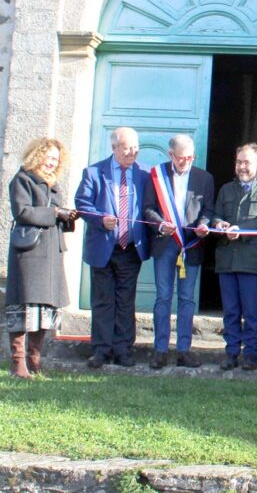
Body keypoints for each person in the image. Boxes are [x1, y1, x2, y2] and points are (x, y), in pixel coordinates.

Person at [75, 127, 151, 369]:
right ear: (114, 148)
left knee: (126, 301)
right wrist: (100, 219)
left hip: (130, 248)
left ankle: (123, 349)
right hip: (103, 247)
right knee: (103, 300)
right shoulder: (94, 172)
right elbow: (82, 204)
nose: (132, 153)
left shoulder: (144, 176)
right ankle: (100, 349)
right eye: (127, 147)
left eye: (136, 147)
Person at [5, 138, 78, 378]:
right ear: (37, 156)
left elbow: (53, 216)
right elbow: (23, 211)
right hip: (29, 253)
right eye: (48, 158)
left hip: (50, 254)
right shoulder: (22, 179)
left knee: (45, 308)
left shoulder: (54, 184)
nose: (51, 163)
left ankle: (35, 357)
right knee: (23, 306)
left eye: (56, 160)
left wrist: (67, 217)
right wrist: (55, 212)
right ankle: (18, 362)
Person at [143, 134, 215, 369]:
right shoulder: (157, 176)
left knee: (186, 299)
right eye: (182, 158)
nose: (186, 161)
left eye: (190, 157)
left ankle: (184, 349)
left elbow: (208, 209)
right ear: (171, 155)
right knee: (163, 297)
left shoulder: (204, 178)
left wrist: (204, 225)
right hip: (165, 244)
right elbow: (148, 209)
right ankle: (160, 350)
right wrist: (161, 223)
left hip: (191, 244)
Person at [207, 144, 257, 371]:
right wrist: (218, 223)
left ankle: (250, 354)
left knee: (250, 311)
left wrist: (241, 228)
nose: (241, 167)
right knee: (230, 310)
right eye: (239, 162)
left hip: (253, 261)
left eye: (246, 162)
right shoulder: (226, 190)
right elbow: (216, 214)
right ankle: (230, 353)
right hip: (227, 259)